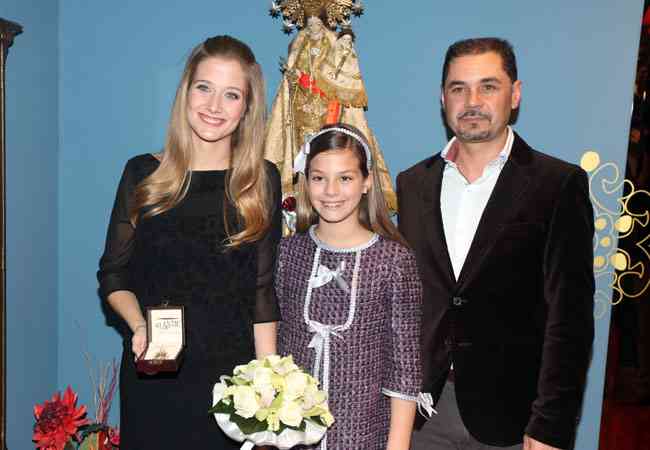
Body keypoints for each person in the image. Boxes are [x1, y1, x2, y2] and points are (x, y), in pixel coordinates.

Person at [397, 38, 594, 450]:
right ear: (443, 98)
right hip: (422, 413)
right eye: (458, 88)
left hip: (514, 417)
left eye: (488, 86)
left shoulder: (557, 184)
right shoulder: (413, 184)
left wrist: (551, 424)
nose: (472, 101)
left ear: (515, 94)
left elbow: (570, 319)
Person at [97, 35, 281, 450]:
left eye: (231, 94)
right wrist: (139, 326)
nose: (214, 106)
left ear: (247, 107)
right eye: (204, 88)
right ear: (185, 92)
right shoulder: (142, 174)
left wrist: (268, 382)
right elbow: (113, 274)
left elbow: (262, 292)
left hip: (234, 388)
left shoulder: (262, 181)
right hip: (156, 377)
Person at [276, 123, 422, 449]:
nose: (331, 191)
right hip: (295, 437)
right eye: (319, 178)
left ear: (366, 182)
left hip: (364, 435)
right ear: (305, 181)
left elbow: (405, 370)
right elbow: (278, 346)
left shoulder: (394, 261)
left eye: (345, 178)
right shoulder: (288, 253)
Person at [264, 4, 397, 223]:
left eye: (317, 23)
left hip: (329, 117)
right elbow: (292, 85)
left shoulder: (335, 45)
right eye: (309, 24)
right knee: (302, 169)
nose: (313, 28)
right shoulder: (298, 45)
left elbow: (334, 82)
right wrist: (294, 77)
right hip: (300, 119)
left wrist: (308, 81)